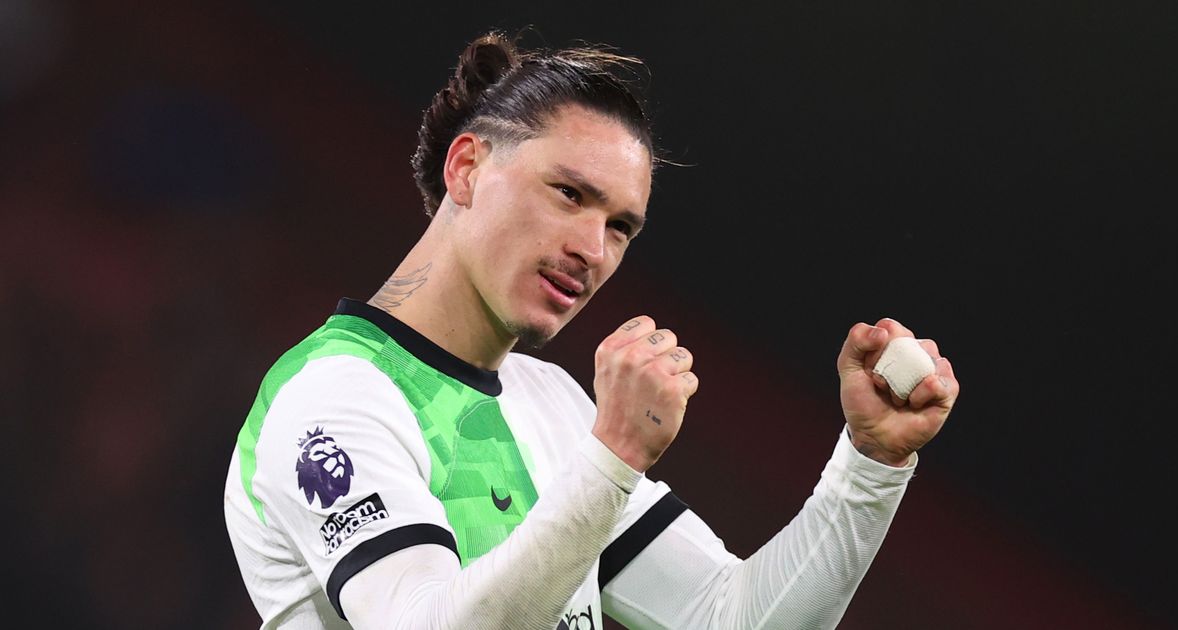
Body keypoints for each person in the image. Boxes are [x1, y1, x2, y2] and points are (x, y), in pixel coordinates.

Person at [223, 31, 959, 630]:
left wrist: (871, 462)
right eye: (569, 193)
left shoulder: (553, 404)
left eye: (620, 227)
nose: (593, 249)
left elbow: (729, 618)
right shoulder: (331, 397)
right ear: (467, 168)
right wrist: (614, 458)